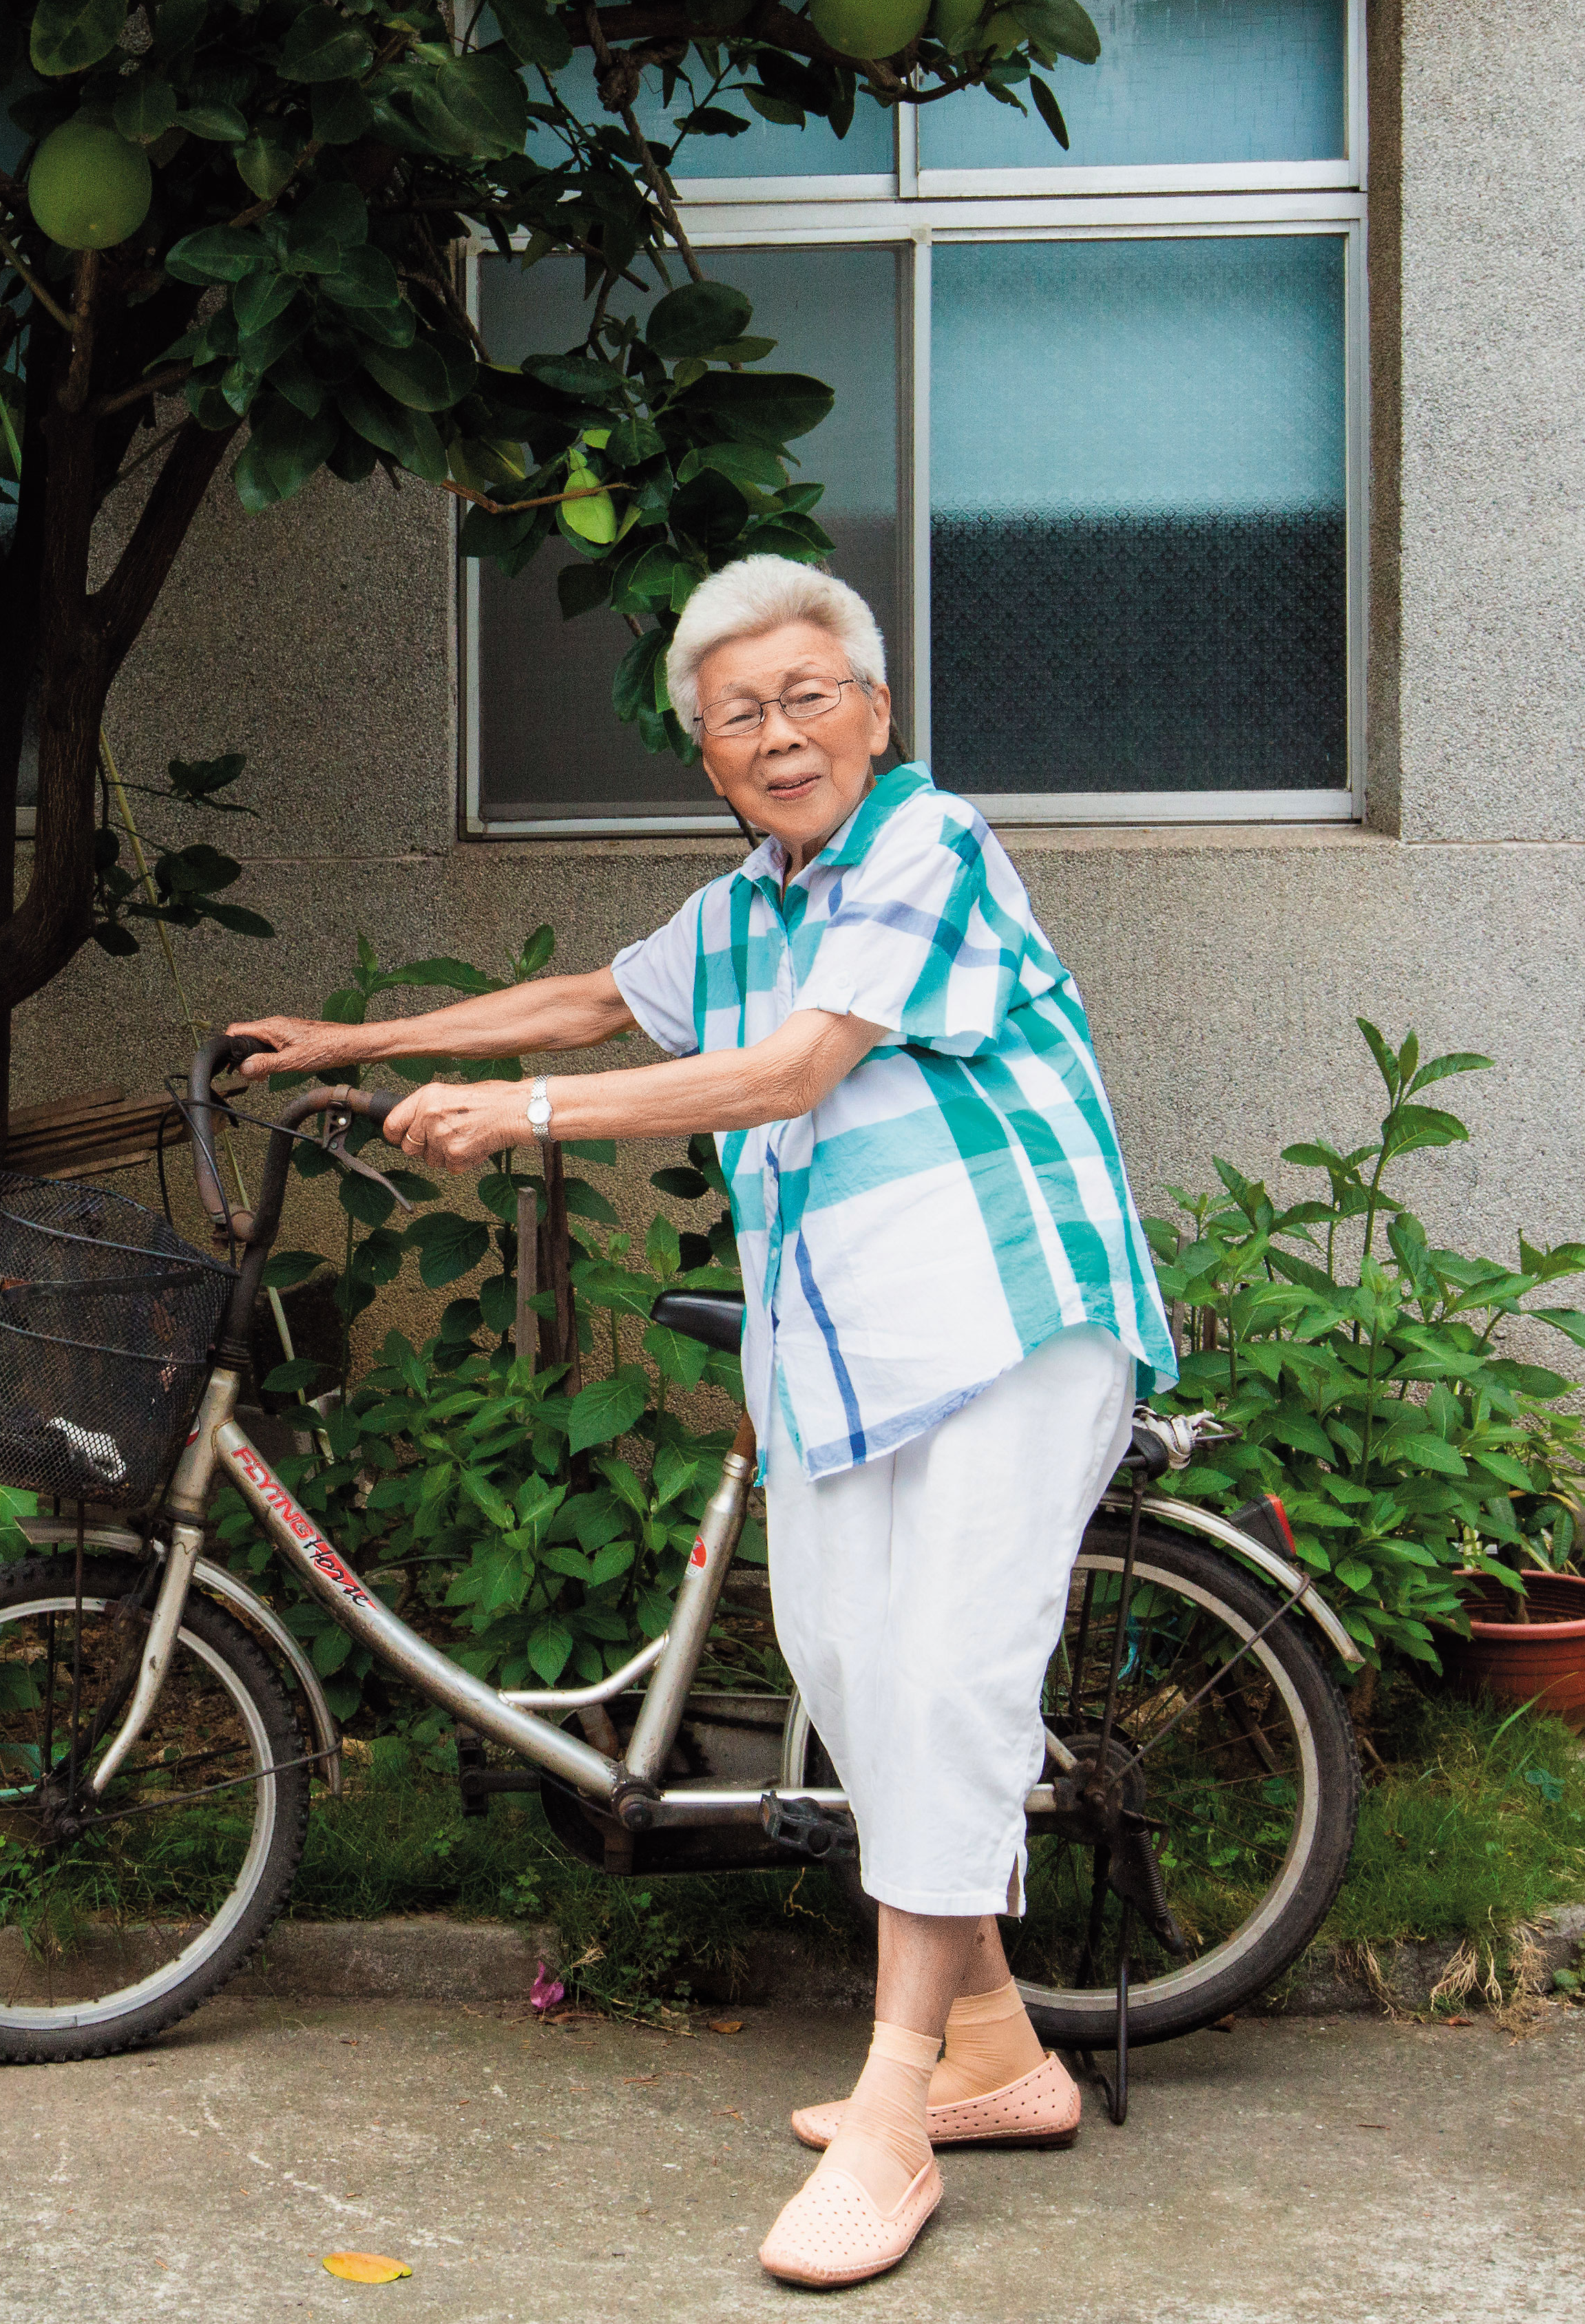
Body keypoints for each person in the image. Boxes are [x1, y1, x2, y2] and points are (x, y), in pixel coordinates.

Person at [231, 553, 1174, 2289]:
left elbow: (792, 1071)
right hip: (845, 1347)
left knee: (953, 1675)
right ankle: (1003, 2061)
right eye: (738, 716)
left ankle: (897, 2116)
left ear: (875, 711)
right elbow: (591, 999)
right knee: (845, 1670)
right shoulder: (743, 909)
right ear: (711, 757)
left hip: (1010, 1316)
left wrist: (523, 1118)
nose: (780, 732)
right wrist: (358, 1039)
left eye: (811, 695)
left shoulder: (927, 846)